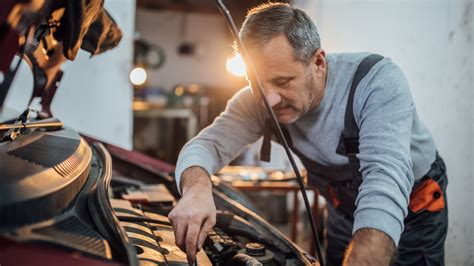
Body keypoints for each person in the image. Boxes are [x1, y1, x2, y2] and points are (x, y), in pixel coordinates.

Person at [168, 2, 448, 265]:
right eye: (255, 83)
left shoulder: (376, 82)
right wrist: (196, 189)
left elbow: (384, 183)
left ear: (318, 63)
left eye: (283, 81)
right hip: (343, 209)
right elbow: (207, 144)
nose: (270, 100)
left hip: (415, 204)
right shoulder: (257, 102)